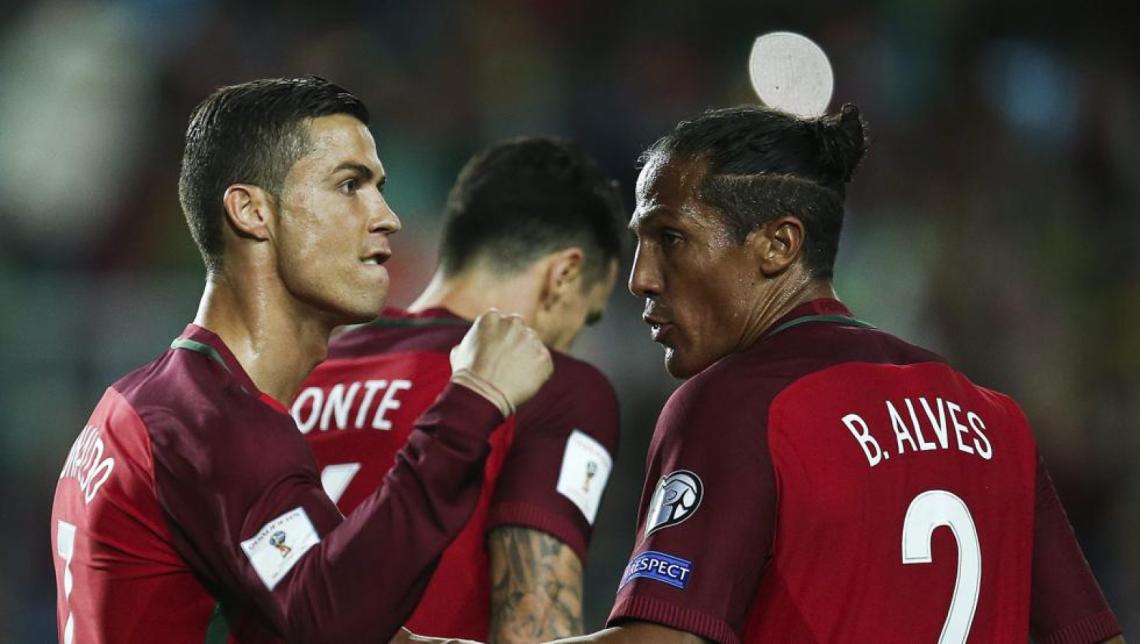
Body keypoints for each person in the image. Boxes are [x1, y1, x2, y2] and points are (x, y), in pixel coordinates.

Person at [553, 105, 1124, 643]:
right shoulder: (996, 422)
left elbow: (665, 639)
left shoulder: (738, 406)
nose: (641, 278)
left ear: (779, 245)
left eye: (669, 238)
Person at [49, 77, 552, 644]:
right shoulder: (211, 426)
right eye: (349, 185)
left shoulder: (147, 404)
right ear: (251, 212)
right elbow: (335, 624)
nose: (387, 217)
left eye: (378, 187)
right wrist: (474, 399)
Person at [293, 137, 625, 643]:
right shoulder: (555, 386)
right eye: (588, 316)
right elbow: (533, 632)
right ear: (564, 274)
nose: (574, 341)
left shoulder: (303, 371)